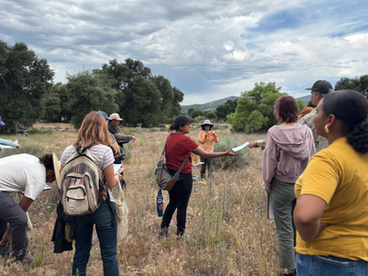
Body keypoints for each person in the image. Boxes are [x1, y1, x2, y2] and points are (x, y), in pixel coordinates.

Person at [293, 90, 368, 275]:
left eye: (317, 112)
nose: (314, 117)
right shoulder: (362, 153)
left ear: (330, 120)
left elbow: (306, 216)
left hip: (326, 260)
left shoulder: (328, 159)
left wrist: (311, 232)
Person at [60, 111, 122, 276]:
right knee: (108, 254)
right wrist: (117, 176)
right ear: (103, 128)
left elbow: (62, 180)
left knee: (81, 252)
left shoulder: (68, 150)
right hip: (101, 206)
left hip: (77, 205)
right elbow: (110, 183)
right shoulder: (104, 151)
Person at [262, 95, 316, 275]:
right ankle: (302, 266)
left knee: (285, 231)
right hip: (304, 185)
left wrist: (267, 184)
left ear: (279, 111)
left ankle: (290, 270)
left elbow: (269, 162)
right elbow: (313, 157)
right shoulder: (306, 131)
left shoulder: (273, 132)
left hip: (282, 185)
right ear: (294, 110)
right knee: (299, 228)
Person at [159, 115, 238, 237]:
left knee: (173, 202)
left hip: (171, 176)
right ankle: (181, 233)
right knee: (182, 206)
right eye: (188, 124)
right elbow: (205, 155)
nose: (190, 126)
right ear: (181, 127)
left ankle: (163, 228)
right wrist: (224, 153)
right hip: (183, 177)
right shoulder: (185, 140)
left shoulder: (170, 137)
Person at [0, 153, 57, 263]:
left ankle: (3, 250)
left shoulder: (33, 160)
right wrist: (8, 233)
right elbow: (21, 210)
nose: (51, 182)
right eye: (53, 179)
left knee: (5, 212)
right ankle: (20, 255)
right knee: (20, 219)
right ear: (50, 172)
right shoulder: (39, 179)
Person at [250, 80, 333, 152]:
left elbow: (285, 137)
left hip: (319, 165)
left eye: (311, 93)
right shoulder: (342, 114)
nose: (311, 96)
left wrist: (259, 143)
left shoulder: (309, 119)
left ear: (317, 95)